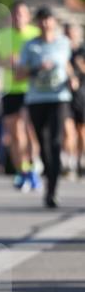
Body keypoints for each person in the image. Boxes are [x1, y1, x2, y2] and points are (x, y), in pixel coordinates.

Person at [16, 6, 73, 208]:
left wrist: (72, 78)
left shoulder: (63, 43)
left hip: (59, 98)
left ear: (54, 22)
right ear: (37, 23)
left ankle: (52, 190)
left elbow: (67, 65)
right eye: (41, 20)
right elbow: (18, 74)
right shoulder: (30, 46)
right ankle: (49, 175)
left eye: (48, 19)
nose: (45, 23)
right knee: (43, 143)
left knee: (56, 141)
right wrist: (37, 68)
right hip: (37, 99)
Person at [0, 2, 40, 191]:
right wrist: (5, 61)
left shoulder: (35, 35)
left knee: (30, 132)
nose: (19, 17)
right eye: (16, 14)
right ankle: (22, 172)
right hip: (10, 89)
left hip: (32, 90)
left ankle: (33, 167)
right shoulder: (1, 36)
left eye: (22, 14)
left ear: (28, 17)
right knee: (14, 134)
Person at [63, 23, 85, 178]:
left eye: (73, 32)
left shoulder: (82, 50)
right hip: (64, 95)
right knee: (68, 131)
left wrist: (79, 65)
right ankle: (69, 162)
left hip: (82, 95)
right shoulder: (61, 50)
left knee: (81, 131)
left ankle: (81, 160)